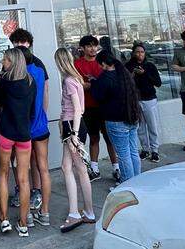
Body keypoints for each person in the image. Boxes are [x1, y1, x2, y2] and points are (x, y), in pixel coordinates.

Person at [9, 28, 50, 227]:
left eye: (22, 42)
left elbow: (44, 94)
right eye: (16, 43)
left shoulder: (37, 65)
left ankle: (36, 193)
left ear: (29, 44)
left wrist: (42, 114)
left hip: (31, 125)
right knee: (24, 162)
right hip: (28, 125)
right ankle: (24, 193)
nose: (19, 46)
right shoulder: (15, 65)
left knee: (34, 163)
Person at [54, 47, 96, 232]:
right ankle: (88, 211)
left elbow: (78, 109)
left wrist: (74, 134)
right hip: (72, 126)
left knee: (73, 168)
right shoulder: (76, 79)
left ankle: (75, 213)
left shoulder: (69, 81)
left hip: (73, 127)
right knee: (76, 168)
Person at [0, 47, 35, 237]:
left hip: (5, 133)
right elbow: (32, 110)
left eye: (5, 60)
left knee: (3, 175)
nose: (3, 62)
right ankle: (23, 222)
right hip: (24, 134)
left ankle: (3, 219)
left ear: (12, 62)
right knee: (24, 179)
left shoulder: (4, 83)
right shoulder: (30, 82)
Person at [90, 52, 142, 182]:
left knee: (123, 154)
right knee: (133, 151)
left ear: (103, 64)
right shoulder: (123, 74)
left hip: (116, 121)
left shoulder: (104, 78)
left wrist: (93, 83)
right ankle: (138, 181)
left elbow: (98, 96)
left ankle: (127, 184)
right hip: (132, 118)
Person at [73, 35, 119, 182]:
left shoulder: (102, 62)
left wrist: (91, 84)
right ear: (83, 48)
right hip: (88, 107)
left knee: (110, 138)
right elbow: (78, 86)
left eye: (95, 45)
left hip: (106, 106)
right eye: (89, 46)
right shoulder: (77, 64)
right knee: (93, 138)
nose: (93, 49)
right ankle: (94, 169)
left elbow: (109, 82)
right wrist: (94, 84)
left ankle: (117, 168)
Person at [124, 42, 162, 162]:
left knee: (152, 126)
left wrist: (144, 74)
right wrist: (134, 73)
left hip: (149, 99)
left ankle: (155, 150)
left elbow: (158, 83)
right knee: (140, 127)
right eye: (137, 52)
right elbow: (125, 83)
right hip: (135, 100)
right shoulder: (129, 66)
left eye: (142, 52)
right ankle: (145, 149)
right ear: (133, 53)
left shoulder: (150, 66)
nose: (140, 54)